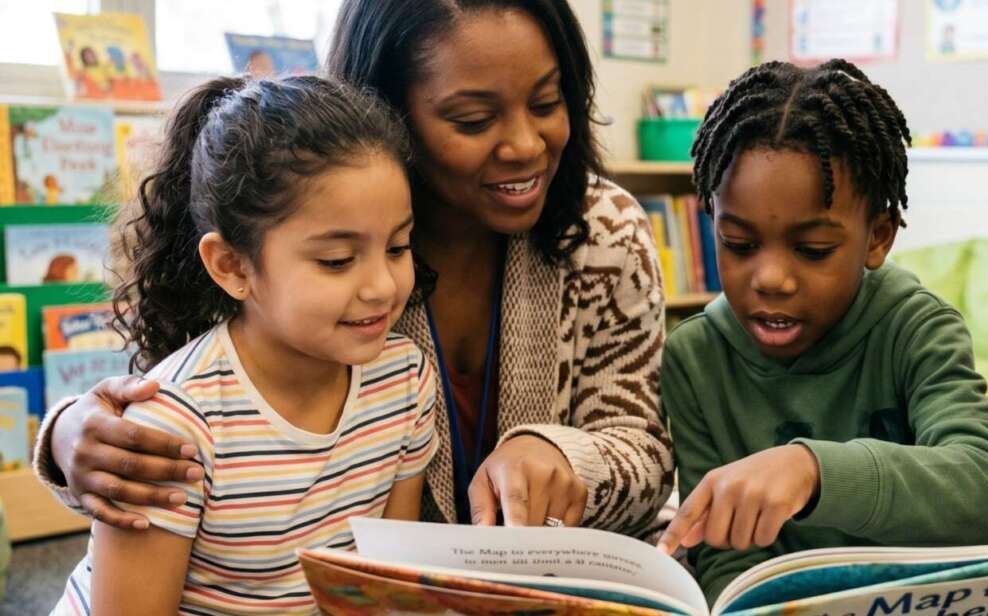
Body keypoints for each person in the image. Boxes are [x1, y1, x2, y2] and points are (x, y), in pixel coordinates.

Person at [34, 0, 671, 537]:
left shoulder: (604, 230)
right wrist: (69, 438)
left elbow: (647, 447)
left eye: (546, 102)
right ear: (387, 110)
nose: (525, 145)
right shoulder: (295, 231)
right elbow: (177, 431)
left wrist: (565, 455)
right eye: (472, 119)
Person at [50, 75, 436, 615]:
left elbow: (385, 587)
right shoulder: (175, 425)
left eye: (397, 246)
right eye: (337, 261)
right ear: (232, 267)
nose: (382, 286)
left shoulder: (405, 380)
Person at [656, 59, 988, 603]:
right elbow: (725, 554)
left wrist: (814, 470)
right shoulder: (694, 358)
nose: (771, 279)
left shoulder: (916, 327)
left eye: (813, 251)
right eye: (738, 243)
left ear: (877, 237)